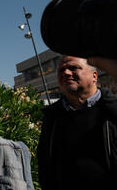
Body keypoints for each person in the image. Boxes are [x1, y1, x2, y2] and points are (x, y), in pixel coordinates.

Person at [37, 56, 117, 189]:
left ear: (94, 76)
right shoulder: (52, 118)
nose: (66, 73)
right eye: (61, 70)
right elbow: (45, 166)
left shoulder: (112, 110)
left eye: (74, 68)